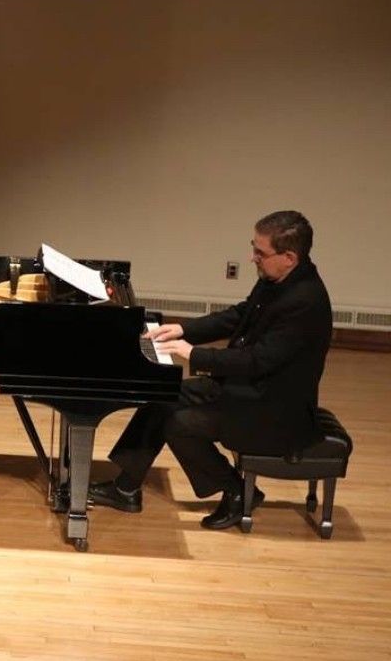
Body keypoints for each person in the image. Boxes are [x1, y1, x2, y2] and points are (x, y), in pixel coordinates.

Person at [88, 210, 332, 529]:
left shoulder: (305, 302)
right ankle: (126, 488)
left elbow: (257, 360)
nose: (253, 258)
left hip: (275, 410)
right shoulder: (278, 280)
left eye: (261, 252)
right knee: (162, 395)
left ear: (289, 257)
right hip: (250, 391)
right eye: (253, 248)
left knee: (180, 424)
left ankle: (237, 492)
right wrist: (183, 330)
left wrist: (194, 354)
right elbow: (239, 315)